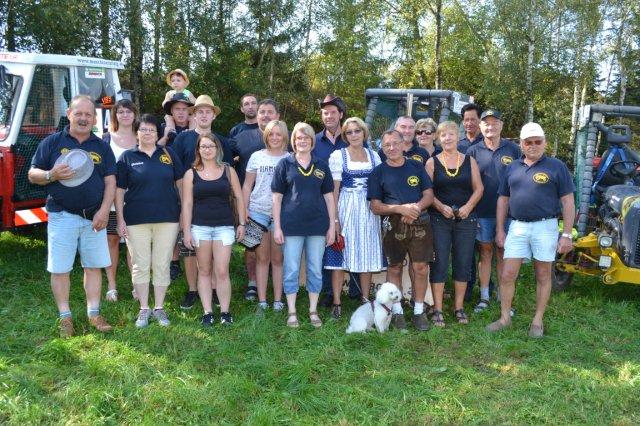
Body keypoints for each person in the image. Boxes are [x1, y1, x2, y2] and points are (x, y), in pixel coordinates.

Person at [28, 95, 116, 337]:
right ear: (69, 113)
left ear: (95, 118)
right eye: (79, 113)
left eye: (89, 114)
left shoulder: (101, 146)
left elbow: (111, 182)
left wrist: (104, 211)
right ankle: (65, 317)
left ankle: (94, 313)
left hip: (93, 218)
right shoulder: (52, 142)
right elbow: (32, 174)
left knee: (93, 267)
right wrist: (51, 174)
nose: (84, 118)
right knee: (60, 268)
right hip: (62, 215)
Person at [487, 123, 575, 338]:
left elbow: (568, 201)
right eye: (528, 142)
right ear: (521, 144)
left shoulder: (557, 166)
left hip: (545, 226)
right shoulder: (513, 167)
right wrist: (500, 229)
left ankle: (537, 321)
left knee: (543, 274)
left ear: (544, 143)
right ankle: (505, 318)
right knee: (508, 274)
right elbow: (503, 199)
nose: (533, 145)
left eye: (538, 141)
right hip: (517, 226)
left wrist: (566, 234)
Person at [115, 114, 183, 328]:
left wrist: (183, 215)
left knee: (162, 263)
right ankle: (144, 308)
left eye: (152, 130)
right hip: (136, 219)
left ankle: (159, 307)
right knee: (140, 264)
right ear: (137, 133)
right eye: (143, 129)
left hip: (168, 218)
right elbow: (118, 191)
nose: (147, 133)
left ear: (158, 133)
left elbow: (181, 185)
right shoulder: (127, 157)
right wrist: (120, 219)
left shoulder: (169, 154)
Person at [368, 130, 434, 331]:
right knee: (394, 267)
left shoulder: (416, 166)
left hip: (420, 223)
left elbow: (429, 195)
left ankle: (419, 311)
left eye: (395, 143)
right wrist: (399, 208)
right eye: (387, 145)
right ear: (382, 148)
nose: (392, 148)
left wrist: (414, 209)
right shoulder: (378, 172)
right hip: (392, 226)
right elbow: (375, 206)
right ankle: (397, 312)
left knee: (420, 267)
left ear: (403, 143)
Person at [272, 122, 336, 328]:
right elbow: (277, 199)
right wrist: (278, 227)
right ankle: (291, 312)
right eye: (299, 138)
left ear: (312, 141)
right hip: (291, 226)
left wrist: (332, 226)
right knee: (291, 269)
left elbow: (329, 198)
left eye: (306, 138)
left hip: (318, 225)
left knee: (315, 269)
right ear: (294, 141)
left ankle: (313, 310)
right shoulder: (285, 164)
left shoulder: (321, 165)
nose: (302, 141)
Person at [172, 95, 233, 310]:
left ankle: (216, 290)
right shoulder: (182, 139)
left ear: (213, 116)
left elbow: (228, 173)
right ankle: (192, 290)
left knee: (214, 253)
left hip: (215, 204)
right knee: (189, 249)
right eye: (200, 111)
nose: (204, 115)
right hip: (187, 198)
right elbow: (176, 170)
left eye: (208, 111)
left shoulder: (222, 141)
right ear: (194, 115)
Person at [182, 133, 246, 326]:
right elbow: (186, 204)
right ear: (198, 150)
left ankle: (225, 312)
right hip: (199, 227)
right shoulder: (190, 173)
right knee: (204, 270)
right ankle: (207, 311)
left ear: (218, 149)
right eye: (203, 147)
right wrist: (186, 231)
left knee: (222, 270)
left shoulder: (228, 171)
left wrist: (242, 223)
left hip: (224, 227)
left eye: (211, 146)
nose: (207, 150)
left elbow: (239, 197)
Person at [324, 117, 384, 319]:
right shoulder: (338, 156)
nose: (354, 135)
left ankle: (365, 299)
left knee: (366, 253)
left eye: (357, 131)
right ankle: (337, 302)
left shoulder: (374, 155)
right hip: (346, 206)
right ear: (345, 135)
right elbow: (334, 190)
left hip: (368, 209)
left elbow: (379, 185)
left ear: (364, 132)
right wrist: (335, 219)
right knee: (341, 255)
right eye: (349, 132)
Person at [425, 121, 483, 327]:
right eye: (443, 135)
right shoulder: (432, 162)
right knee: (439, 262)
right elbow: (427, 193)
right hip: (439, 218)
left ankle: (459, 307)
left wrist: (468, 207)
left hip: (466, 218)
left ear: (458, 137)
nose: (447, 138)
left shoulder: (469, 161)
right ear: (438, 139)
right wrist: (440, 207)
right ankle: (438, 309)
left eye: (451, 134)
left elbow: (479, 189)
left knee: (464, 261)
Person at [466, 109, 521, 313]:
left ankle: (502, 296)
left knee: (503, 252)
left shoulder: (513, 149)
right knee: (485, 253)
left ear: (501, 125)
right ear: (481, 127)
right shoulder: (473, 151)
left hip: (509, 213)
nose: (490, 126)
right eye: (486, 123)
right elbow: (468, 184)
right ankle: (484, 297)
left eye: (494, 122)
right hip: (482, 211)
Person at [230, 98, 281, 301]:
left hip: (278, 210)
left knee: (277, 254)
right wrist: (242, 207)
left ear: (277, 116)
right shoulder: (241, 137)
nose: (265, 115)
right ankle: (253, 283)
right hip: (253, 205)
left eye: (270, 112)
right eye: (262, 112)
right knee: (252, 249)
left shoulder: (286, 144)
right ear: (257, 116)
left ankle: (277, 290)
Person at [242, 120, 289, 312]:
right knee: (261, 258)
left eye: (279, 134)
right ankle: (262, 301)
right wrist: (244, 209)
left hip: (281, 215)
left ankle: (278, 300)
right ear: (266, 136)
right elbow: (247, 185)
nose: (275, 137)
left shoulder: (290, 158)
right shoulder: (256, 157)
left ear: (285, 136)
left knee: (278, 259)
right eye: (271, 134)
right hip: (257, 212)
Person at [102, 99, 138, 302]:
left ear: (134, 115)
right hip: (111, 200)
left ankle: (136, 286)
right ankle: (112, 286)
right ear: (115, 115)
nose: (125, 115)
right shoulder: (105, 139)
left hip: (134, 200)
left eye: (128, 111)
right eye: (121, 112)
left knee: (134, 243)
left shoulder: (141, 138)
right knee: (111, 240)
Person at [313, 94, 347, 160]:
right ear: (322, 116)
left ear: (341, 115)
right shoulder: (314, 141)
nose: (329, 116)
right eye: (326, 113)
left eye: (333, 112)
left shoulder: (352, 138)